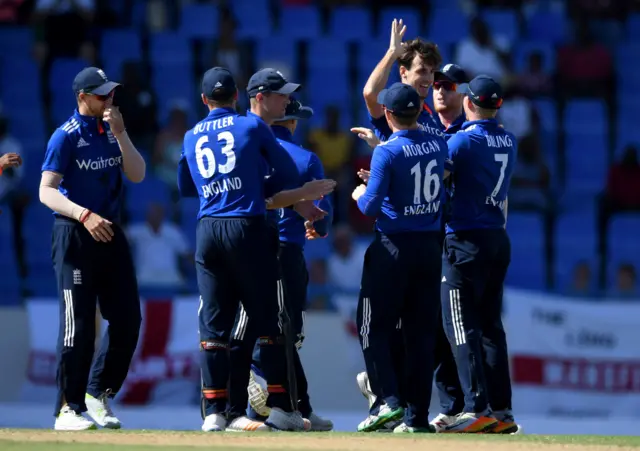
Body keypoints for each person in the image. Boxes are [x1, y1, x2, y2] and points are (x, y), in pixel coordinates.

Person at [177, 67, 333, 432]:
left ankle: (215, 412)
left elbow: (187, 186)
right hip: (247, 225)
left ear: (204, 100)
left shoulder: (191, 134)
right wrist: (301, 199)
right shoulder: (251, 128)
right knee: (270, 321)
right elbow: (281, 177)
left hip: (207, 228)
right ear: (239, 97)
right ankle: (281, 407)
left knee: (214, 325)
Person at [224, 68, 333, 432]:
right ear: (293, 120)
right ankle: (275, 398)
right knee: (283, 335)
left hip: (244, 245)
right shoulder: (304, 160)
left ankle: (290, 406)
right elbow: (322, 222)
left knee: (264, 329)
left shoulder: (244, 147)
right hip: (286, 253)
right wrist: (314, 223)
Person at [39, 66, 146, 431]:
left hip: (110, 233)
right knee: (79, 324)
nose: (108, 100)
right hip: (75, 233)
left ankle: (97, 393)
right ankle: (68, 408)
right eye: (101, 95)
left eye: (111, 94)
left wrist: (120, 132)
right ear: (81, 97)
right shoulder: (65, 137)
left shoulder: (112, 130)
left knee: (129, 319)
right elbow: (46, 191)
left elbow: (137, 173)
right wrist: (83, 215)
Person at [352, 83, 447, 433]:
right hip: (429, 248)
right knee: (420, 335)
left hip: (393, 247)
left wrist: (360, 192)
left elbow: (370, 208)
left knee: (371, 325)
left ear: (388, 114)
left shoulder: (387, 152)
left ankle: (387, 401)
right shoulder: (438, 143)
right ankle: (417, 417)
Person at [440, 75, 519, 434]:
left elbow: (434, 176)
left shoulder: (461, 142)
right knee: (490, 327)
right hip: (497, 238)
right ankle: (501, 410)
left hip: (465, 239)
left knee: (460, 324)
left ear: (468, 103)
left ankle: (475, 408)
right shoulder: (509, 139)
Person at [362, 19, 444, 142]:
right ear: (403, 72)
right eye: (421, 71)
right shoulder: (392, 107)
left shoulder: (431, 114)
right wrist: (392, 53)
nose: (428, 79)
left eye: (432, 72)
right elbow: (370, 94)